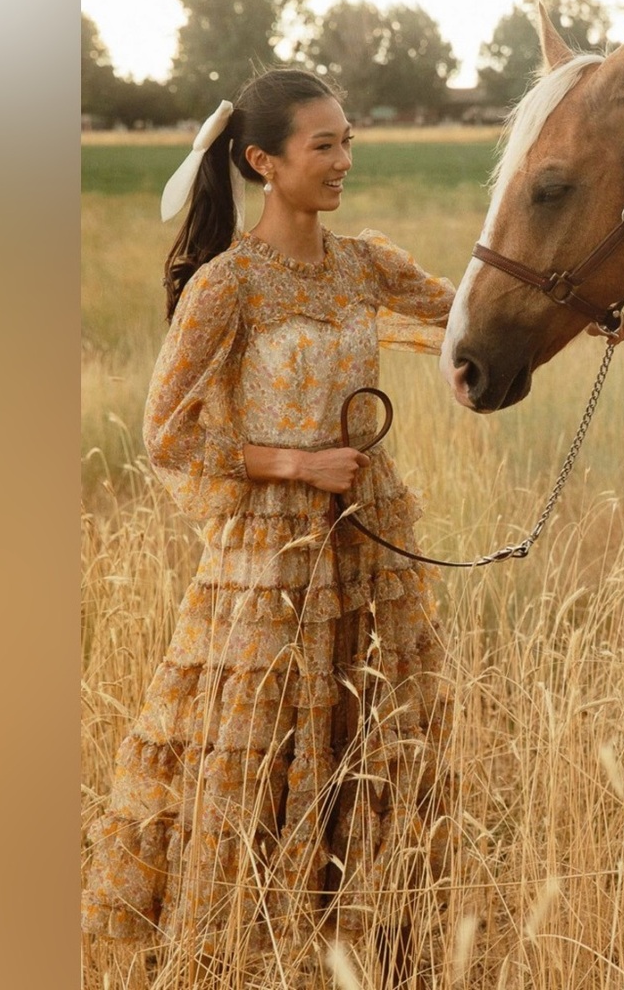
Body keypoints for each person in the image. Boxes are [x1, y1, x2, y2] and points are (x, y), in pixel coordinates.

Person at [81, 69, 457, 983]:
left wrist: (593, 307)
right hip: (270, 556)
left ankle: (367, 945)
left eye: (348, 141)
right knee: (257, 755)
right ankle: (245, 952)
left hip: (369, 540)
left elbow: (471, 317)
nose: (343, 161)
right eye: (322, 145)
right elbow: (165, 433)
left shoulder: (365, 262)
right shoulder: (228, 284)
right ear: (263, 162)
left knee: (369, 735)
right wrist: (295, 463)